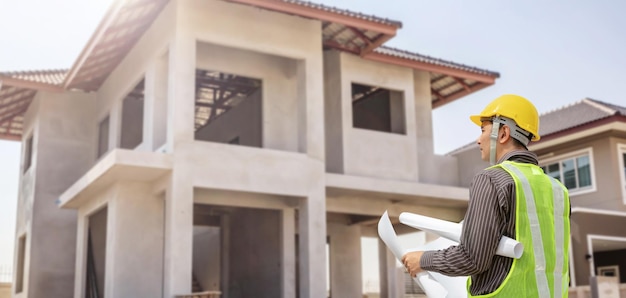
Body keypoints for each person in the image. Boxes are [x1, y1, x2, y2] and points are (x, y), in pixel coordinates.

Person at [402, 94, 571, 297]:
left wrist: (422, 259)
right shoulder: (558, 189)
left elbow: (472, 258)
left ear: (503, 133)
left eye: (483, 130)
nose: (478, 139)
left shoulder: (492, 179)